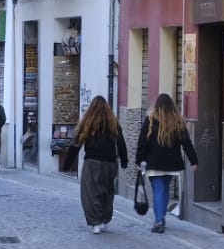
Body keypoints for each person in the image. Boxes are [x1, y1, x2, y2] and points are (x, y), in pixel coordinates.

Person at [135, 93, 197, 233]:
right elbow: (186, 143)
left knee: (158, 190)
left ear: (157, 105)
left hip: (154, 162)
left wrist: (139, 160)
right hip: (171, 163)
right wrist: (193, 160)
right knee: (164, 190)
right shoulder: (177, 121)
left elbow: (142, 142)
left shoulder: (150, 120)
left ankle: (159, 221)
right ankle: (161, 218)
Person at [68, 96, 126, 234]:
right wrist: (124, 160)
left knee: (90, 193)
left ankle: (95, 222)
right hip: (110, 163)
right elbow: (121, 142)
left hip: (92, 162)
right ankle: (104, 219)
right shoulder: (113, 122)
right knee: (107, 191)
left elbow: (76, 144)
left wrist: (68, 163)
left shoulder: (88, 122)